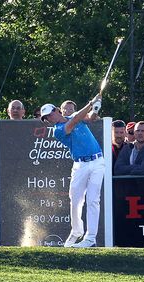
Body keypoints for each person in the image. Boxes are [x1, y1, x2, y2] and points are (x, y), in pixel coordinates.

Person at [40, 97, 104, 248]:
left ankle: (90, 238)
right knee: (75, 200)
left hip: (97, 161)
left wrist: (96, 108)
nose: (49, 119)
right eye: (46, 118)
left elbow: (90, 119)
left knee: (93, 200)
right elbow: (75, 121)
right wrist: (90, 103)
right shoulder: (57, 130)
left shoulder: (75, 117)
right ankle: (76, 231)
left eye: (50, 114)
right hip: (80, 165)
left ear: (57, 110)